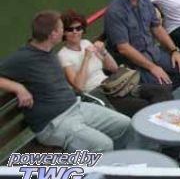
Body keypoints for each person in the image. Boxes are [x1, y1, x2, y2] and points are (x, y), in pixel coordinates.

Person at [0, 10, 131, 152]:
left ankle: (116, 162)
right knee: (103, 145)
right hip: (54, 123)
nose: (64, 32)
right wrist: (18, 88)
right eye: (62, 28)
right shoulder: (24, 57)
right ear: (53, 34)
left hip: (76, 107)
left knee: (125, 124)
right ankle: (101, 166)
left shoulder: (48, 50)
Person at [58, 9, 173, 117]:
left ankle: (168, 122)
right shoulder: (64, 55)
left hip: (113, 84)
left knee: (161, 91)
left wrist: (104, 52)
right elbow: (78, 87)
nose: (75, 32)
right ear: (64, 32)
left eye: (78, 28)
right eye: (70, 29)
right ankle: (160, 125)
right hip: (97, 93)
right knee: (143, 106)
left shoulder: (86, 43)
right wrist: (86, 58)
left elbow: (113, 68)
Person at [104, 0, 180, 89]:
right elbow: (124, 48)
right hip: (132, 62)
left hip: (152, 52)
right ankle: (158, 93)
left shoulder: (145, 1)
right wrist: (153, 67)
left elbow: (157, 28)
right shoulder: (116, 11)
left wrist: (174, 51)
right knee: (163, 85)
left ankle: (159, 94)